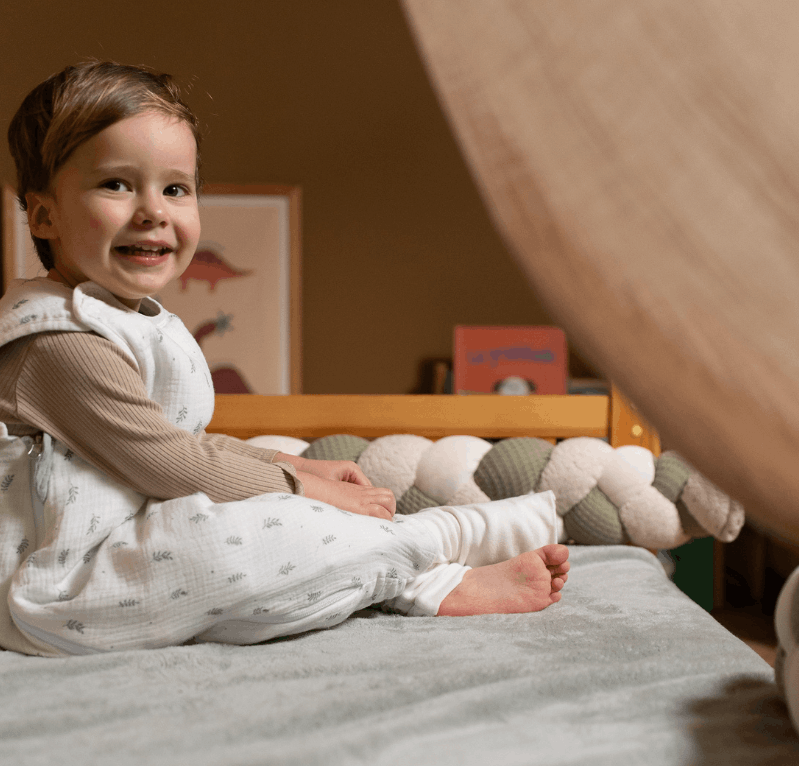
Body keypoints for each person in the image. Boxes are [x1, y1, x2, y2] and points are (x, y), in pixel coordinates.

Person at [0, 61, 569, 657]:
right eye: (117, 185)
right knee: (237, 545)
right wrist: (300, 486)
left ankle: (419, 552)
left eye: (175, 189)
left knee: (263, 524)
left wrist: (287, 465)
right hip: (64, 582)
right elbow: (171, 462)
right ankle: (430, 557)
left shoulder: (126, 319)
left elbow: (178, 443)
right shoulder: (56, 342)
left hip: (134, 532)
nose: (154, 211)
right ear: (44, 215)